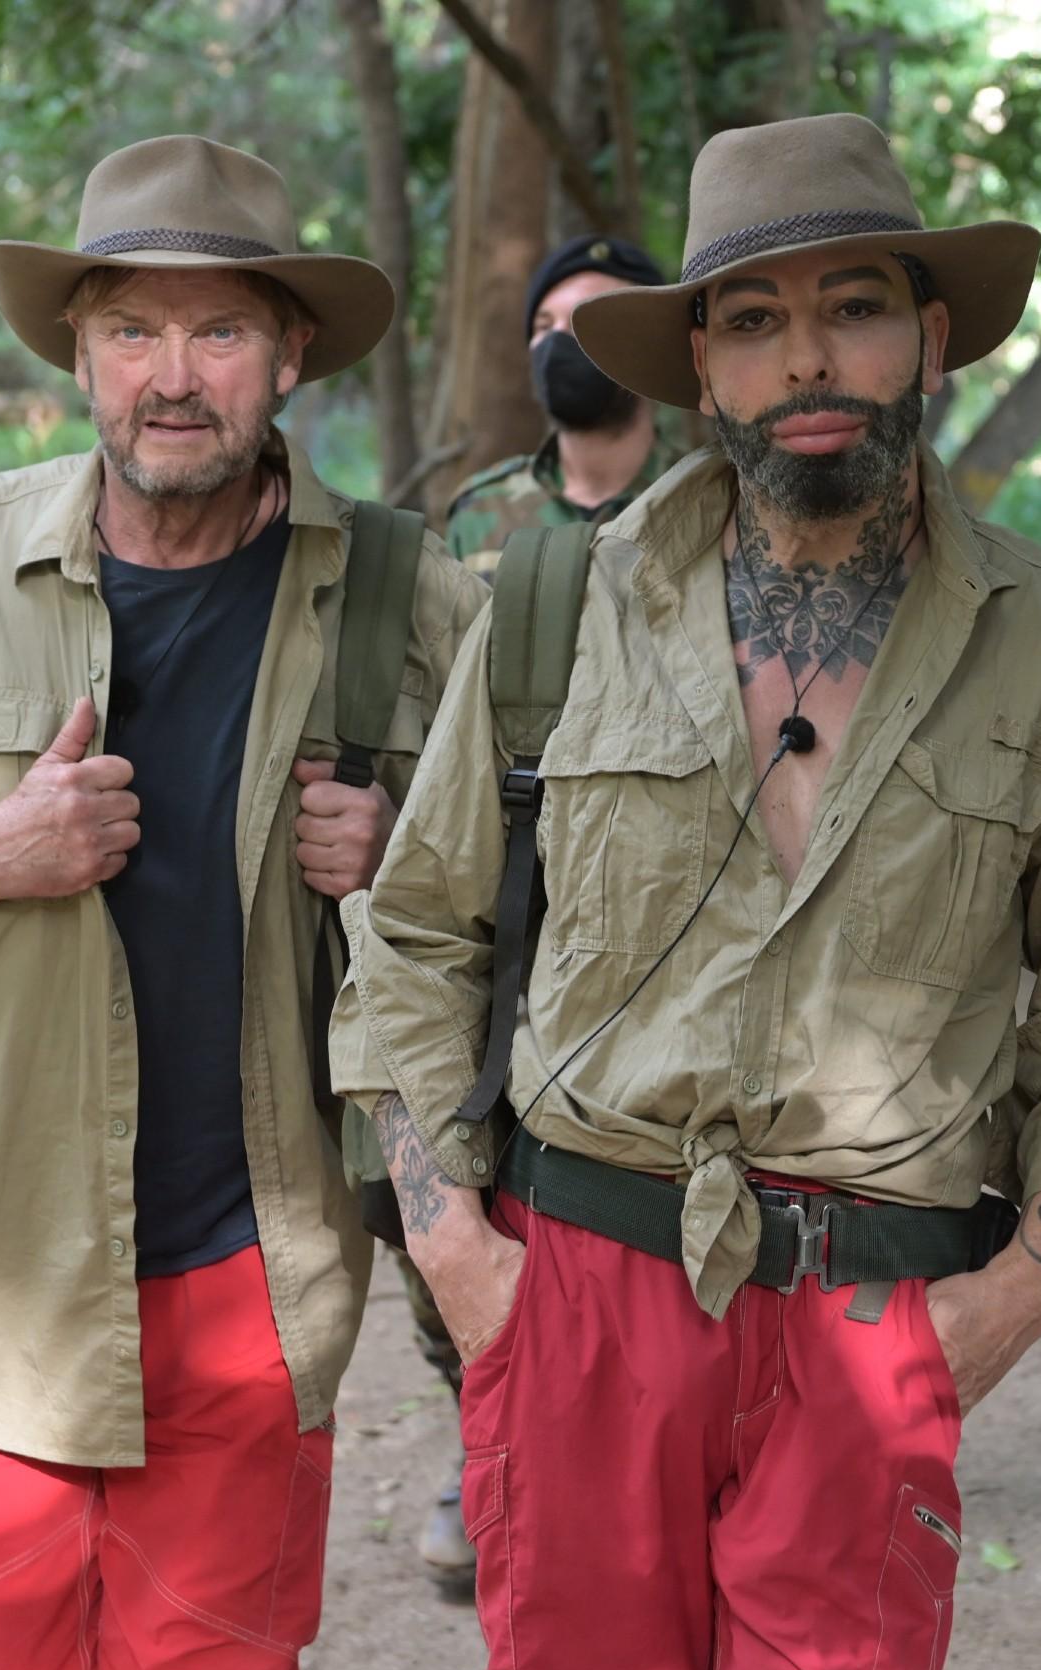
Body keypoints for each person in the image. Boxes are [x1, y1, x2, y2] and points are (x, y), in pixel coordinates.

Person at [339, 113, 1041, 1670]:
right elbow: (419, 926)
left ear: (928, 335)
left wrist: (1013, 1294)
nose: (807, 354)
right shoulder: (552, 604)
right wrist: (453, 1243)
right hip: (580, 1280)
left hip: (871, 1300)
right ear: (699, 369)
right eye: (751, 319)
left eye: (853, 305)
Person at [0, 135, 486, 1670]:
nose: (173, 376)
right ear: (77, 352)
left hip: (246, 1288)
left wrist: (406, 856)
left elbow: (559, 909)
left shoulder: (411, 599)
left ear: (288, 355)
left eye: (218, 332)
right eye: (132, 329)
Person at [399, 229, 686, 1593]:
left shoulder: (716, 509)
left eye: (605, 316)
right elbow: (421, 740)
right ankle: (487, 1442)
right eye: (549, 320)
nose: (571, 337)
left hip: (661, 910)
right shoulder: (473, 529)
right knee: (457, 1170)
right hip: (502, 900)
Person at [441, 232, 685, 577]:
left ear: (651, 346)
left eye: (582, 321)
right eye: (544, 325)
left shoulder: (706, 499)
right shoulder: (479, 510)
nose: (557, 340)